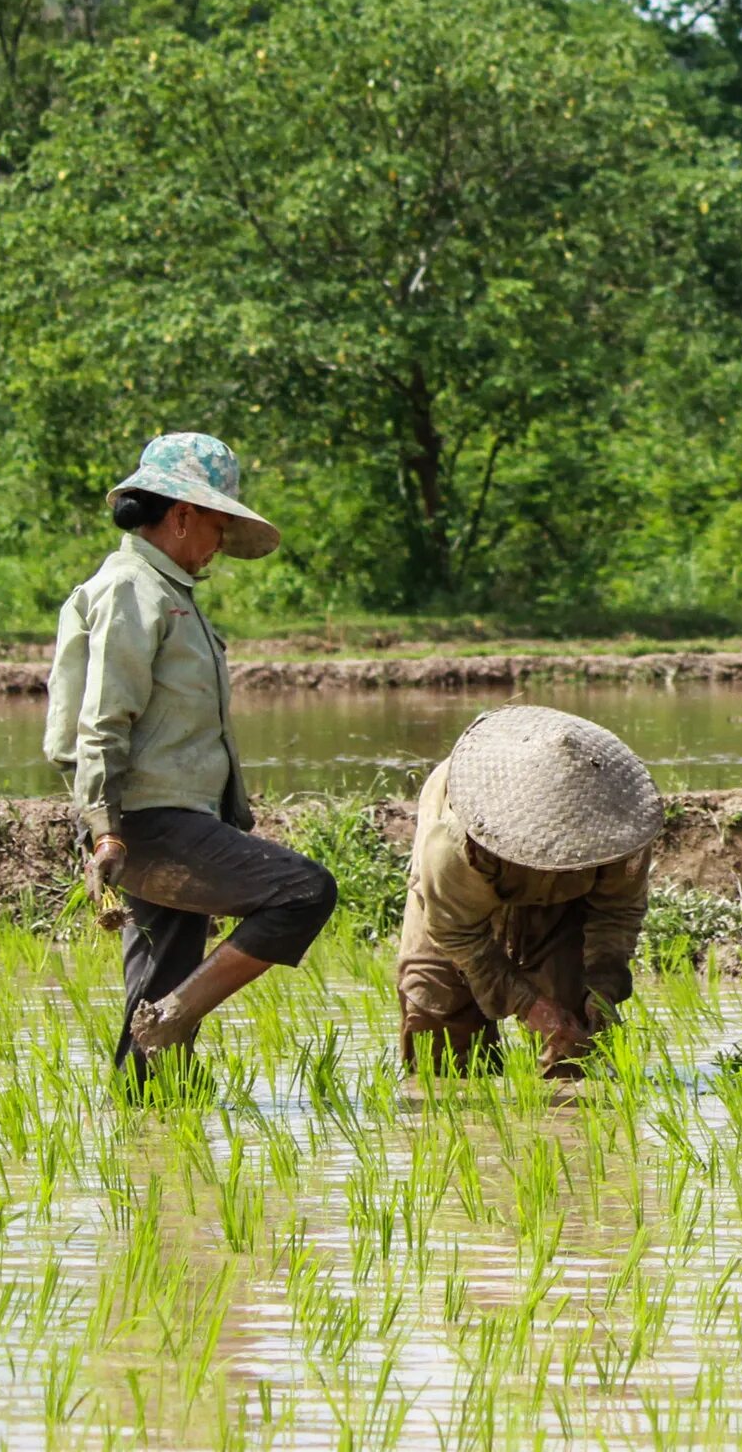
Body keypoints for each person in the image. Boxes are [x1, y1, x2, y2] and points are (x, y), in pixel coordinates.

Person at [44, 433, 337, 1070]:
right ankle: (175, 1019)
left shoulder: (166, 592)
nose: (219, 547)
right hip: (147, 819)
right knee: (303, 892)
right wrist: (103, 832)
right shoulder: (133, 590)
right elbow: (102, 718)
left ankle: (149, 1116)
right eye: (216, 527)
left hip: (170, 817)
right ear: (182, 515)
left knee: (158, 983)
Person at [396, 706, 661, 1077]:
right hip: (457, 905)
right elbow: (454, 933)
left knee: (576, 1036)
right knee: (438, 1023)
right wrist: (527, 1004)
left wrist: (601, 988)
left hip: (564, 903)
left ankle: (568, 1130)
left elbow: (617, 914)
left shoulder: (620, 829)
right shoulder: (455, 840)